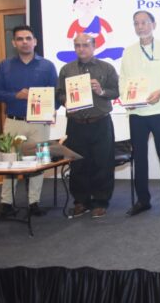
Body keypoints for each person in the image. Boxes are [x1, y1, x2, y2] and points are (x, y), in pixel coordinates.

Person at [121, 11, 160, 217]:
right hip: (137, 113)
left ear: (154, 24)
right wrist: (126, 99)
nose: (140, 27)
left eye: (144, 22)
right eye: (136, 23)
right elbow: (123, 79)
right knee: (139, 158)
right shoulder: (128, 51)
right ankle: (143, 201)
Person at [0, 25, 58, 218]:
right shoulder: (4, 66)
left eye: (28, 38)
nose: (25, 42)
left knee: (39, 162)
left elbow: (56, 95)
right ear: (14, 43)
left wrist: (52, 110)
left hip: (40, 123)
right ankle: (6, 203)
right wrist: (16, 95)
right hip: (14, 122)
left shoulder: (47, 66)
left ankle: (34, 202)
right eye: (20, 39)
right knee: (10, 162)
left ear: (35, 41)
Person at [56, 34, 119, 218]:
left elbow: (116, 91)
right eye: (77, 45)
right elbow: (59, 94)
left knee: (102, 164)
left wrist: (101, 90)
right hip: (76, 124)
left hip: (100, 122)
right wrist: (65, 100)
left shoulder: (106, 68)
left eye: (85, 45)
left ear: (94, 46)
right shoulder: (67, 69)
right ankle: (81, 201)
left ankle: (100, 201)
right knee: (78, 164)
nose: (81, 49)